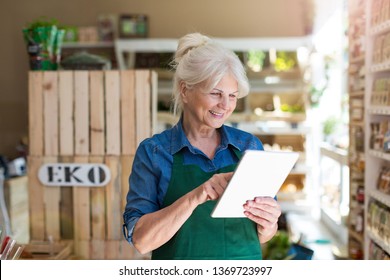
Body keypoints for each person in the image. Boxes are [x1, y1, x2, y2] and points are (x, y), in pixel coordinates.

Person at [123, 32, 281, 260]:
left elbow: (264, 234)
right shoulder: (155, 153)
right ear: (185, 91)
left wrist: (269, 224)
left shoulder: (249, 146)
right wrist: (197, 195)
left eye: (233, 96)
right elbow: (142, 240)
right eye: (216, 93)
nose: (225, 105)